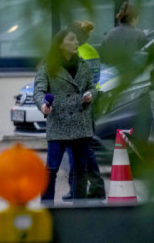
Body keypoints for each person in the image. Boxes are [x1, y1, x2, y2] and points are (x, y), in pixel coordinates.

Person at [34, 28, 96, 203]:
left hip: (81, 122)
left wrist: (91, 95)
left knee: (80, 169)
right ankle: (47, 208)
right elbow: (38, 91)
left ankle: (80, 209)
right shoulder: (48, 67)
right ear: (60, 44)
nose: (76, 43)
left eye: (76, 40)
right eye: (71, 39)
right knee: (51, 169)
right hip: (59, 122)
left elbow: (92, 87)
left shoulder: (84, 65)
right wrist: (43, 106)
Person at [62, 21, 106, 201]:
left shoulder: (78, 54)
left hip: (78, 105)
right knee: (84, 148)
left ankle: (78, 188)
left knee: (75, 149)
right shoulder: (92, 51)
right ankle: (95, 186)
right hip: (90, 102)